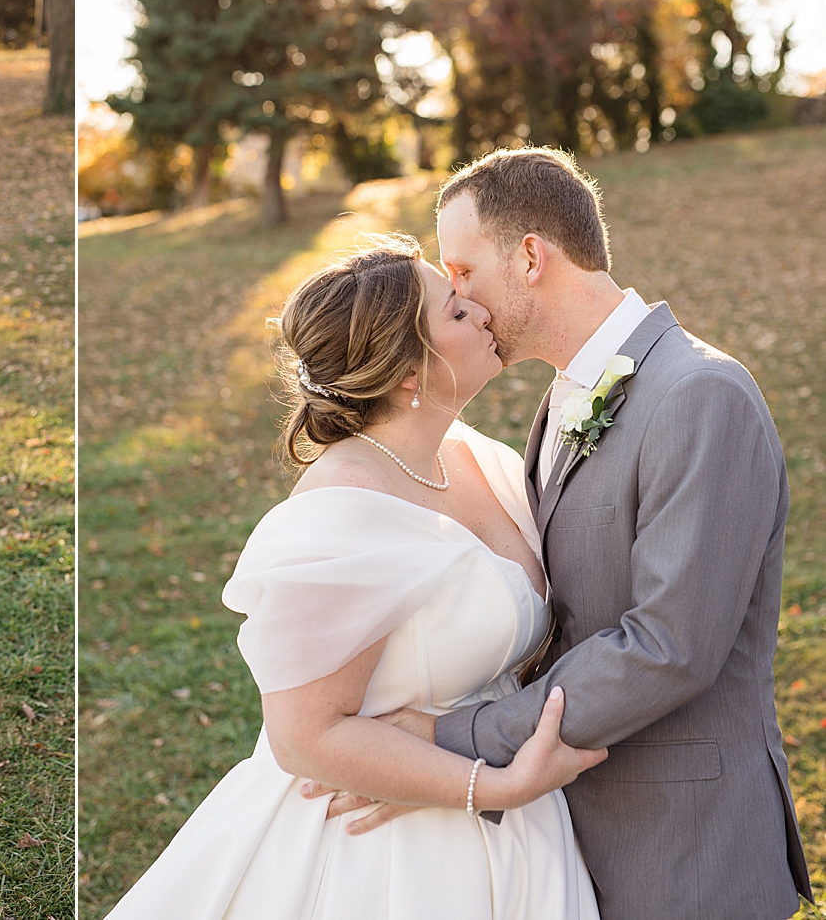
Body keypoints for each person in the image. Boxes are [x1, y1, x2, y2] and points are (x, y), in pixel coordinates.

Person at [328, 148, 810, 920]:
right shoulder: (559, 402)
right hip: (573, 838)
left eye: (462, 268)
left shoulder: (699, 394)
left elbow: (668, 645)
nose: (455, 296)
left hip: (687, 852)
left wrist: (453, 737)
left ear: (529, 256)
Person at [104, 234, 606, 920]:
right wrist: (494, 788)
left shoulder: (470, 457)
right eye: (456, 312)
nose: (483, 311)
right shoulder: (339, 512)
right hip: (391, 851)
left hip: (523, 830)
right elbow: (304, 733)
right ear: (409, 372)